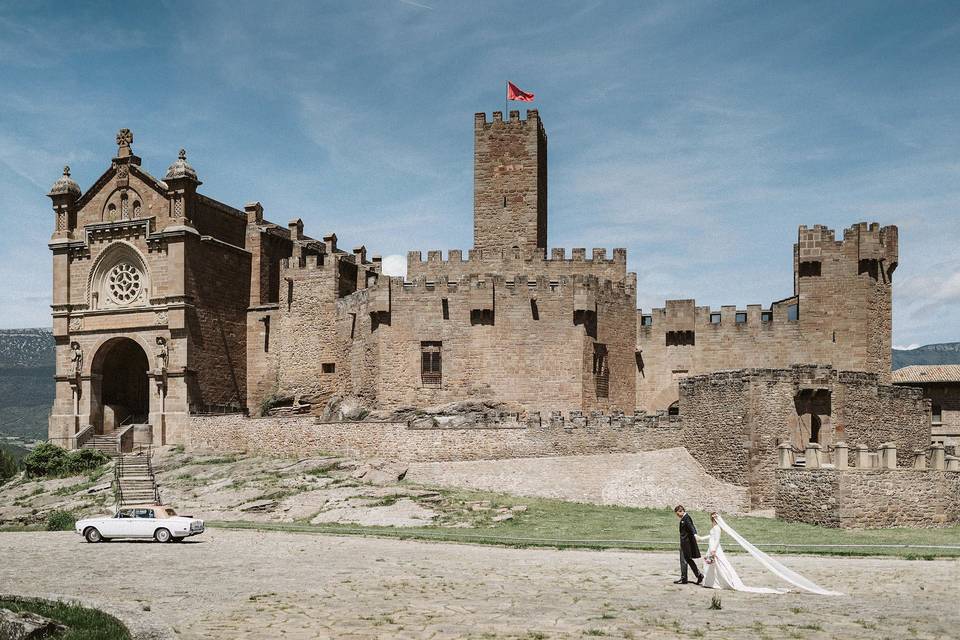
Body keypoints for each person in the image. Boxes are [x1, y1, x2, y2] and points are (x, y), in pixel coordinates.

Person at [696, 512, 843, 596]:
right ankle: (711, 583)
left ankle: (723, 582)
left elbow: (716, 539)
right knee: (711, 568)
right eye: (713, 519)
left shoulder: (718, 529)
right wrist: (701, 538)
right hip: (711, 549)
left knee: (721, 567)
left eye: (714, 518)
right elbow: (711, 536)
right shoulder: (713, 528)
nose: (713, 520)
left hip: (714, 550)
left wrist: (714, 550)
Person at [673, 505, 703, 585]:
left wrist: (695, 534)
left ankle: (684, 578)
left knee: (683, 560)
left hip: (686, 544)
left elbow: (691, 526)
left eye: (677, 514)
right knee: (688, 560)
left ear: (681, 510)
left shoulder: (686, 518)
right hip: (685, 543)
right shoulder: (684, 518)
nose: (677, 516)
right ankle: (699, 575)